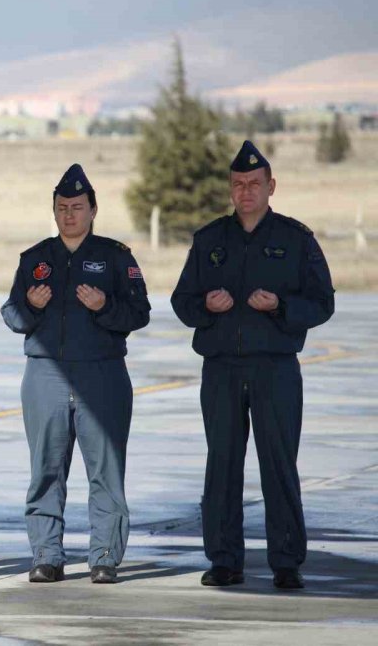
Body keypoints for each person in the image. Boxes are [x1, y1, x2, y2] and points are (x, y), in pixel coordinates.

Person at [171, 140, 335, 590]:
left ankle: (286, 562)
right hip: (221, 369)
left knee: (278, 464)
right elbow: (181, 301)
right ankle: (224, 560)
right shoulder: (210, 240)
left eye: (255, 183)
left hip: (275, 368)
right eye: (239, 184)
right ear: (231, 189)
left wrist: (281, 305)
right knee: (222, 464)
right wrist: (205, 304)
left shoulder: (295, 239)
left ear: (271, 187)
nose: (246, 191)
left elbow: (322, 302)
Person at [1, 164, 150, 584]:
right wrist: (30, 304)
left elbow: (140, 312)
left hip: (101, 375)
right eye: (62, 207)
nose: (69, 214)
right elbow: (11, 315)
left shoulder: (115, 257)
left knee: (105, 470)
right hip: (44, 375)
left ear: (93, 210)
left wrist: (105, 307)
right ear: (54, 211)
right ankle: (46, 555)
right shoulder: (35, 260)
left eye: (77, 207)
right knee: (46, 468)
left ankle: (104, 555)